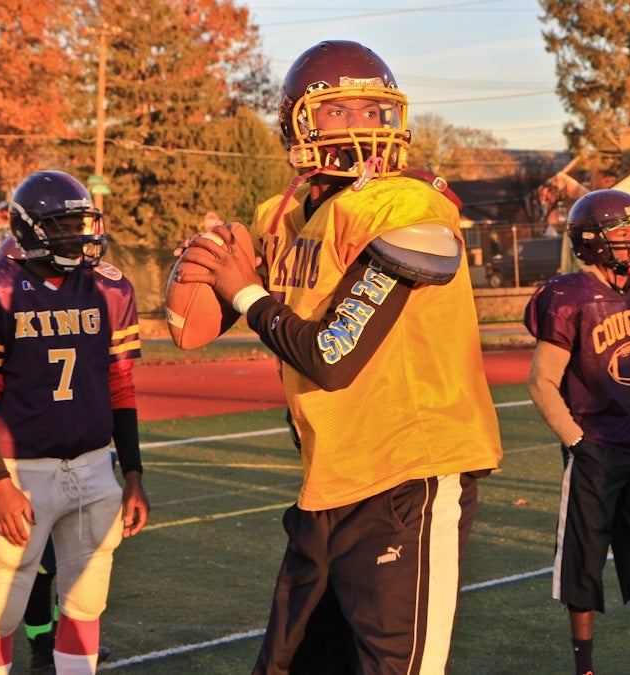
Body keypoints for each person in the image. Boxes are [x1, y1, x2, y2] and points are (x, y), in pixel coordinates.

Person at [172, 40, 503, 673]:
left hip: (410, 477)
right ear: (296, 122)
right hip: (329, 480)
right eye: (338, 111)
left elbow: (331, 356)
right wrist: (212, 265)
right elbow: (199, 323)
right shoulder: (281, 216)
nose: (362, 126)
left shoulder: (409, 206)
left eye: (372, 110)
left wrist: (245, 290)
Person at [0, 171, 149, 674]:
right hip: (24, 472)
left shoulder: (109, 289)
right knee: (3, 607)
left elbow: (120, 385)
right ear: (31, 230)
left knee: (86, 600)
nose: (81, 237)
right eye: (64, 226)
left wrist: (134, 475)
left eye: (83, 224)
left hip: (95, 467)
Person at [524, 189, 630, 675]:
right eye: (623, 233)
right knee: (584, 564)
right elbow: (542, 382)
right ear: (592, 241)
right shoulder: (567, 297)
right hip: (596, 450)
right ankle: (584, 669)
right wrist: (576, 441)